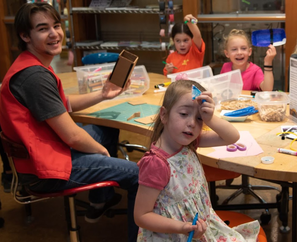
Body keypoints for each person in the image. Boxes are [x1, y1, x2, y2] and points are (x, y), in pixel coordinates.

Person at [0, 3, 139, 241]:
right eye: (43, 29)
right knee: (138, 173)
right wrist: (103, 152)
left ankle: (100, 201)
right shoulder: (34, 77)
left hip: (48, 151)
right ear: (25, 36)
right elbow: (72, 136)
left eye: (56, 26)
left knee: (105, 125)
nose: (54, 34)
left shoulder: (30, 64)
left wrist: (102, 95)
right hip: (46, 169)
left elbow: (62, 103)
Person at [134, 80, 260, 241]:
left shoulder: (189, 143)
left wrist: (210, 119)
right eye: (184, 114)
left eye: (199, 118)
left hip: (199, 228)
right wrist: (182, 227)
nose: (192, 123)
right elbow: (141, 215)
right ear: (164, 115)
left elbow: (232, 137)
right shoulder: (156, 163)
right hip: (173, 235)